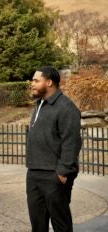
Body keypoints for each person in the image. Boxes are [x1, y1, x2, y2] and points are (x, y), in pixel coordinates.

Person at [27, 66, 82, 232]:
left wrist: (63, 171)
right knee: (38, 224)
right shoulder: (40, 104)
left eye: (36, 81)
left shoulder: (66, 107)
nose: (32, 84)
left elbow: (72, 141)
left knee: (61, 224)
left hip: (55, 175)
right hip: (34, 172)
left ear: (49, 82)